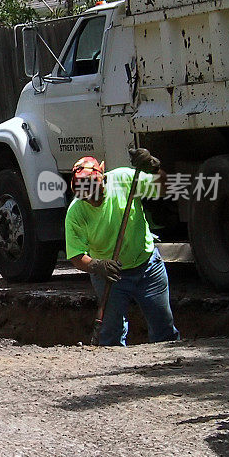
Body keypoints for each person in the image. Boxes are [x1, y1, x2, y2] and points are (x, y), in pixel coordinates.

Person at [64, 148, 180, 346]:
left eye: (94, 188)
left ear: (103, 175)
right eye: (85, 193)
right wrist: (97, 266)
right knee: (111, 335)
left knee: (164, 328)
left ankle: (170, 368)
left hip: (147, 266)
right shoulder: (75, 213)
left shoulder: (125, 179)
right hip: (110, 275)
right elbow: (76, 255)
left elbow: (164, 188)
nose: (92, 197)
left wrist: (155, 169)